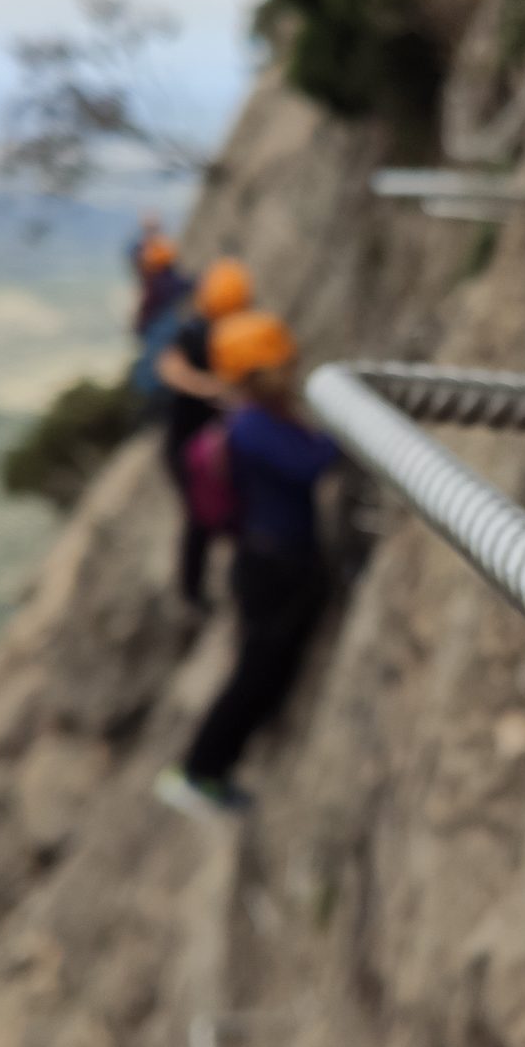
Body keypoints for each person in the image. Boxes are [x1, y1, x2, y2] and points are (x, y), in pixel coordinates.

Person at [156, 312, 339, 818]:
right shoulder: (256, 425)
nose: (291, 371)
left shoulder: (255, 419)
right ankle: (200, 770)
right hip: (274, 568)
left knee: (259, 671)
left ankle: (206, 770)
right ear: (260, 373)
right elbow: (314, 462)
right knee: (253, 676)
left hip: (267, 562)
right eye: (281, 364)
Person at [158, 256, 255, 609]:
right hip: (186, 446)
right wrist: (210, 389)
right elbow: (169, 367)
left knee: (223, 513)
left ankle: (220, 585)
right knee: (200, 518)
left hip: (207, 444)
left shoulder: (222, 332)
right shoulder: (195, 331)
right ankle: (192, 593)